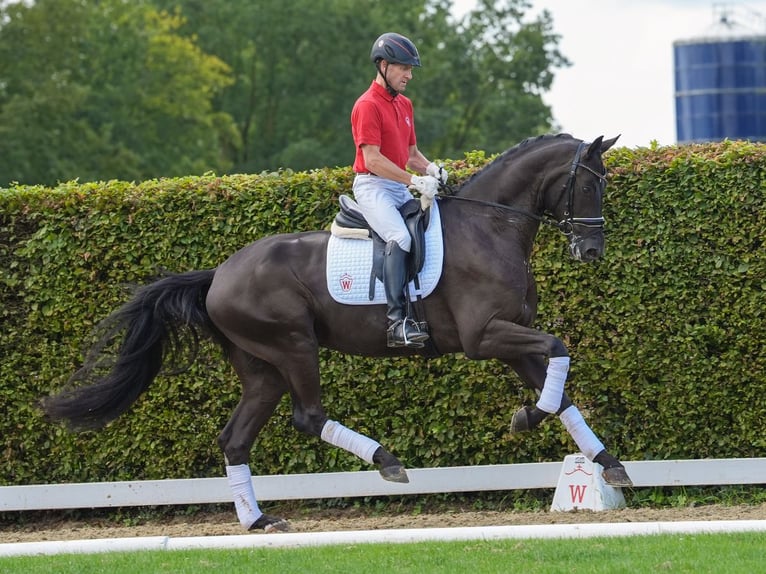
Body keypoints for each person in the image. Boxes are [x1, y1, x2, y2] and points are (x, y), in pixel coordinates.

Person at [351, 32, 448, 349]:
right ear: (383, 65)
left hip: (396, 184)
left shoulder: (405, 104)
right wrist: (414, 181)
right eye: (403, 68)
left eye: (410, 69)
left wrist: (432, 169)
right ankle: (396, 323)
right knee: (401, 237)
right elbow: (373, 160)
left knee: (431, 227)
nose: (409, 75)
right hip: (373, 186)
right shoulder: (367, 106)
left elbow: (411, 156)